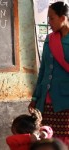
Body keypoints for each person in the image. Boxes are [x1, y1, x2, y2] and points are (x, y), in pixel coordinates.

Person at [28, 1, 69, 146]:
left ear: (63, 18)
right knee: (46, 137)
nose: (49, 22)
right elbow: (44, 71)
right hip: (45, 101)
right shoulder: (49, 39)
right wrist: (35, 97)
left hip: (65, 101)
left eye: (52, 18)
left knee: (63, 141)